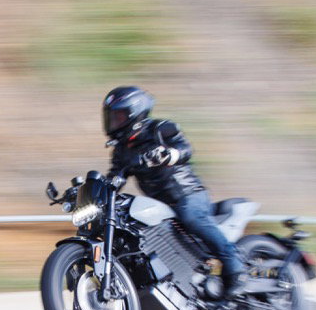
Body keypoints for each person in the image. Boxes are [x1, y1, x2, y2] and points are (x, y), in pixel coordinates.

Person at [102, 85, 247, 298]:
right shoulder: (121, 151)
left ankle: (236, 269)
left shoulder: (159, 129)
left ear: (136, 113)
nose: (115, 121)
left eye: (120, 116)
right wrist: (98, 191)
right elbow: (115, 177)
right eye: (112, 117)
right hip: (161, 205)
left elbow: (184, 148)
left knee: (190, 216)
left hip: (188, 195)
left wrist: (169, 154)